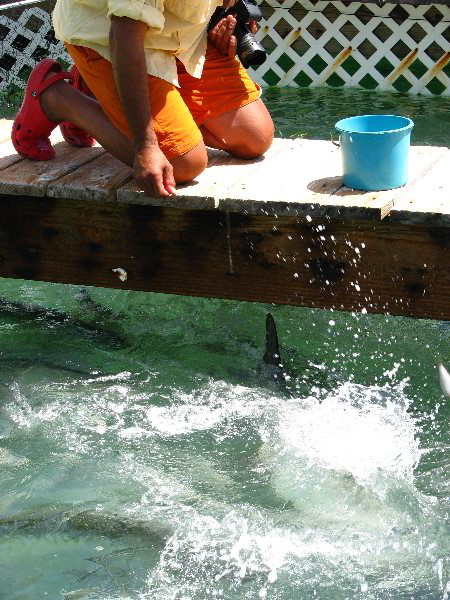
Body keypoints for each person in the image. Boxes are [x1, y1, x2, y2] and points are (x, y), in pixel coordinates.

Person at [12, 0, 274, 197]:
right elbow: (124, 35)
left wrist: (225, 17)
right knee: (181, 164)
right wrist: (145, 145)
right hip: (111, 38)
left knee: (255, 138)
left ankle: (97, 86)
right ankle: (60, 99)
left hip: (181, 35)